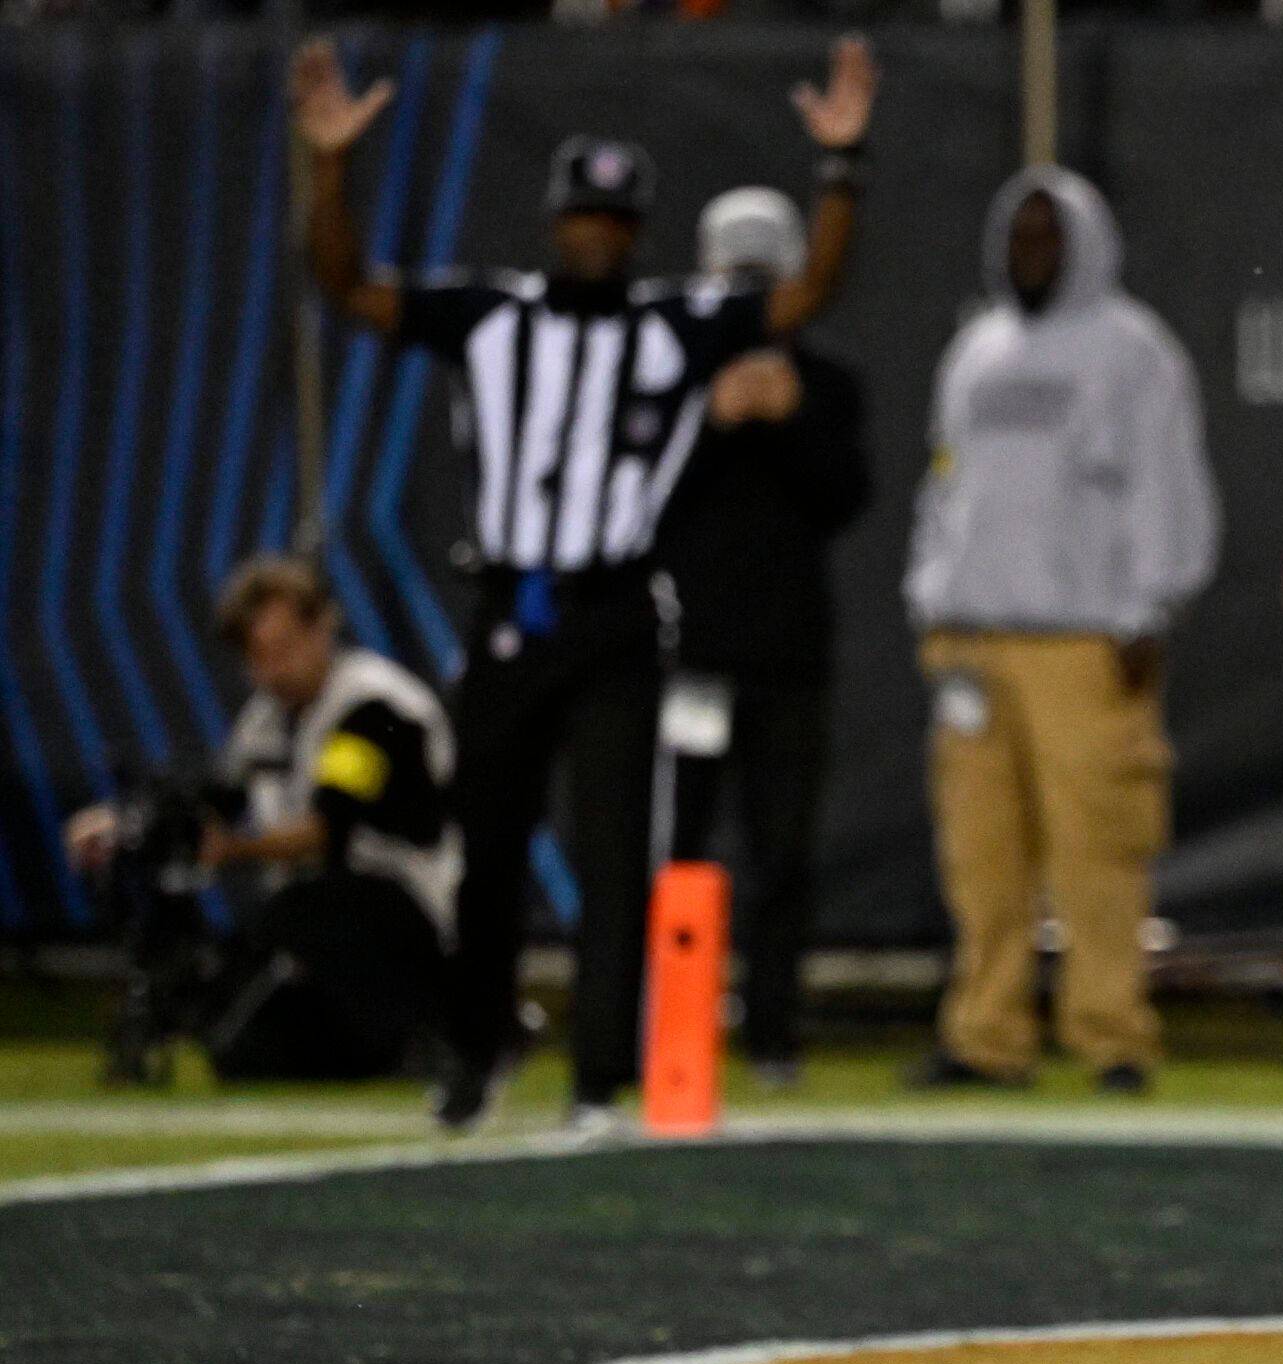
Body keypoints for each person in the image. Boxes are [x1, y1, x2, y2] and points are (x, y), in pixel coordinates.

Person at [291, 35, 880, 1131]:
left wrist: (840, 167)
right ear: (558, 220)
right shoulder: (494, 318)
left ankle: (601, 1078)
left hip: (616, 611)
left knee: (617, 863)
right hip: (514, 606)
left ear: (637, 232)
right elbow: (345, 284)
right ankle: (474, 1051)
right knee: (489, 853)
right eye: (585, 217)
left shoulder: (671, 330)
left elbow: (807, 293)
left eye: (616, 221)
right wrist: (327, 164)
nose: (598, 236)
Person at [904, 167, 1219, 1096]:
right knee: (980, 856)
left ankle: (1111, 1034)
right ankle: (986, 1034)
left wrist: (1153, 603)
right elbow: (943, 485)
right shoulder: (976, 350)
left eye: (1047, 237)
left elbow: (1169, 482)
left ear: (1088, 242)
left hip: (1085, 638)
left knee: (1099, 852)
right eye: (1018, 236)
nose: (1029, 252)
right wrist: (929, 594)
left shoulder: (1134, 350)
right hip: (973, 637)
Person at [68, 558, 457, 1081]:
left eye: (285, 649)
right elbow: (212, 800)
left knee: (292, 917)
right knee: (245, 1051)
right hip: (321, 930)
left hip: (411, 913)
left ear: (323, 626)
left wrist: (234, 849)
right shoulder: (267, 718)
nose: (273, 670)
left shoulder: (374, 706)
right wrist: (119, 822)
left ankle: (435, 1020)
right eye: (258, 656)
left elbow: (328, 829)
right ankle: (393, 1046)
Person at [658, 188, 873, 1085]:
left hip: (787, 661)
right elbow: (640, 503)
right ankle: (672, 1027)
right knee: (685, 849)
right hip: (696, 658)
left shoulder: (825, 385)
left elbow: (844, 500)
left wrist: (789, 421)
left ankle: (774, 1035)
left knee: (782, 854)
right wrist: (711, 422)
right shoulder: (671, 381)